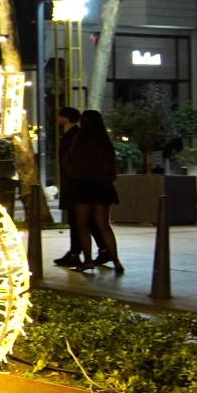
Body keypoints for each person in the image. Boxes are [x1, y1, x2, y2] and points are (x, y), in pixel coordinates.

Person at [63, 109, 123, 274]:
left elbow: (69, 162)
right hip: (103, 186)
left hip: (83, 186)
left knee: (82, 225)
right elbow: (112, 167)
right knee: (104, 225)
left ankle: (88, 261)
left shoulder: (80, 140)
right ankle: (116, 261)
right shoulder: (105, 142)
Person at [53, 106, 86, 267]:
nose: (59, 120)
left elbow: (70, 160)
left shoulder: (73, 136)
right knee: (80, 220)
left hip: (73, 184)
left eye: (61, 117)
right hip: (73, 183)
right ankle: (78, 251)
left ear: (65, 118)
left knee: (77, 219)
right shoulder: (74, 134)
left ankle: (75, 252)